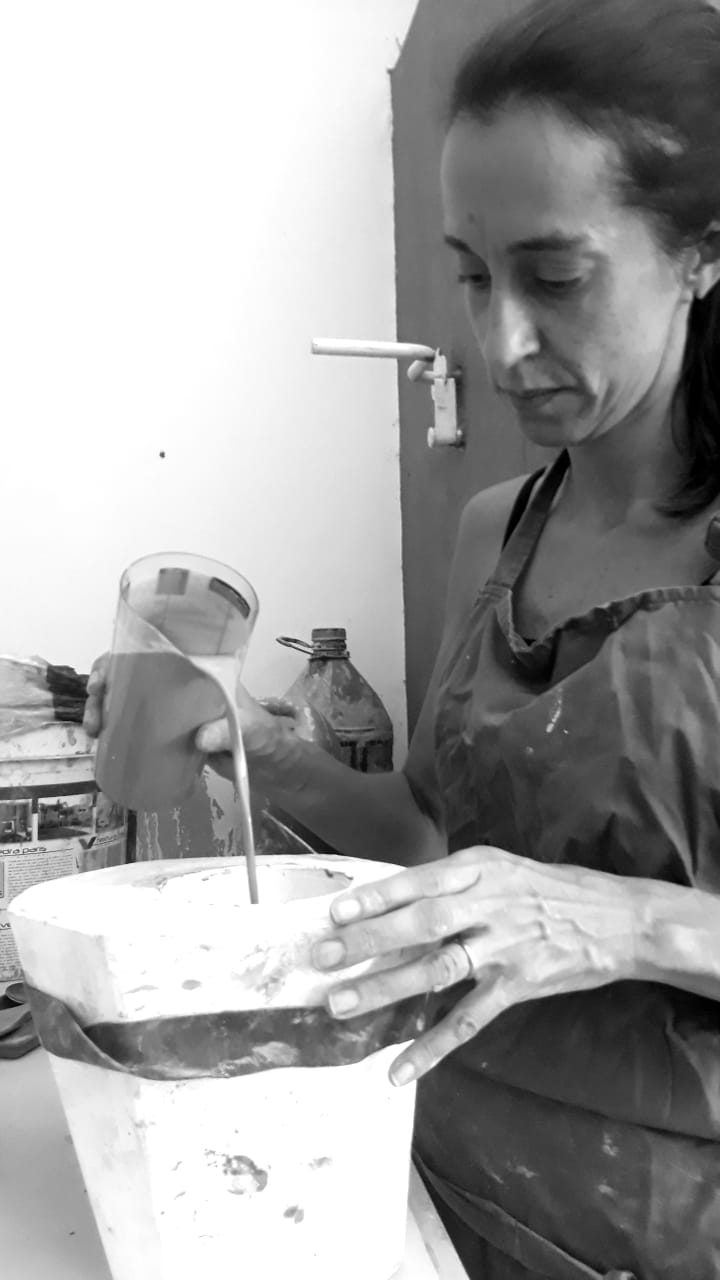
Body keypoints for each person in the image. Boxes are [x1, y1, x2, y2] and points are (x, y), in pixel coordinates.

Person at [85, 0, 720, 1274]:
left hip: (667, 1224)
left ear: (701, 253)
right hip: (425, 1179)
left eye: (556, 277)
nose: (502, 342)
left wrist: (627, 921)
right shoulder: (499, 530)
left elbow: (564, 906)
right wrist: (263, 748)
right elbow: (435, 835)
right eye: (475, 275)